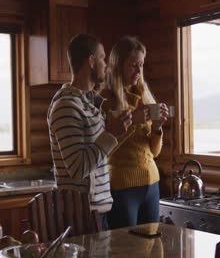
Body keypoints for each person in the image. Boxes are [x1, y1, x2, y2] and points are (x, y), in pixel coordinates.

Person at [47, 34, 132, 230]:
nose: (107, 65)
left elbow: (99, 154)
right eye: (103, 58)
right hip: (79, 215)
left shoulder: (88, 102)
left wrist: (120, 129)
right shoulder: (66, 107)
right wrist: (110, 134)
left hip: (97, 210)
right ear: (91, 61)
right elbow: (78, 169)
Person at [100, 36, 169, 229]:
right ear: (117, 65)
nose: (139, 71)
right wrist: (133, 122)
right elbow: (105, 151)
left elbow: (154, 152)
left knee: (152, 248)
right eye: (133, 65)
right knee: (126, 249)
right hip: (122, 188)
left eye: (141, 65)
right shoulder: (104, 100)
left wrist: (157, 128)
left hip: (152, 184)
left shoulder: (144, 96)